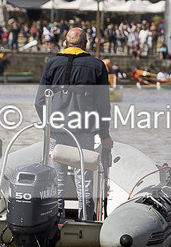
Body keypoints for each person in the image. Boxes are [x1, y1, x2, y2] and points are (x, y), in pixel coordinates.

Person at [35, 26, 113, 221]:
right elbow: (104, 103)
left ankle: (57, 214)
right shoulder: (97, 66)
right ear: (86, 44)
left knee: (57, 173)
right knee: (84, 175)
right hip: (84, 128)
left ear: (65, 43)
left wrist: (48, 124)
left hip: (57, 128)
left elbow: (39, 101)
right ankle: (85, 216)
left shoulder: (51, 64)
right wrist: (104, 134)